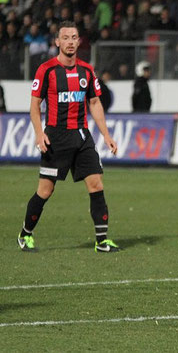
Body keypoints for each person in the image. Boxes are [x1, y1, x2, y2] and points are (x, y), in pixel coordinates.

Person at [18, 21, 120, 253]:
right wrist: (39, 132)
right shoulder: (47, 70)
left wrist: (106, 135)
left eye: (74, 37)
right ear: (57, 42)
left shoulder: (86, 70)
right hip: (56, 137)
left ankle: (101, 240)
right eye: (65, 37)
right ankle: (25, 234)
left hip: (82, 136)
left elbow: (94, 102)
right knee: (45, 190)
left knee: (96, 183)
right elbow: (35, 106)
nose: (70, 41)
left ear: (78, 41)